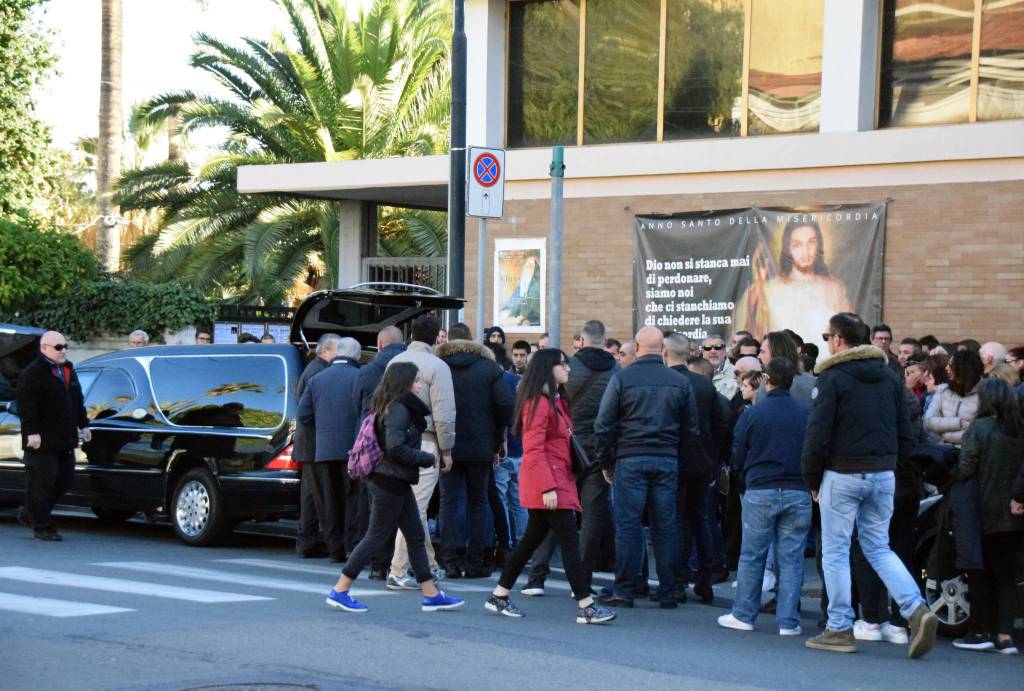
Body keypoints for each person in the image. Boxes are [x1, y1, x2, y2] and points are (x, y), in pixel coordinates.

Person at [801, 312, 937, 658]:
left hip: (842, 472)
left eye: (827, 336)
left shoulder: (832, 378)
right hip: (883, 473)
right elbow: (906, 435)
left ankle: (839, 627)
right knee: (878, 546)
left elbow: (817, 434)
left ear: (837, 340)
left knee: (835, 551)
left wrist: (812, 479)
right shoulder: (891, 379)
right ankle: (915, 608)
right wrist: (892, 466)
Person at [484, 349, 617, 625]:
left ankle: (499, 594)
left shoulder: (553, 401)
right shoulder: (540, 403)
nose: (568, 369)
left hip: (555, 481)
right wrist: (548, 488)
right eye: (562, 364)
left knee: (530, 541)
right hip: (549, 484)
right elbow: (534, 451)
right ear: (548, 369)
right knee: (570, 542)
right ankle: (586, 605)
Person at [326, 363, 464, 614]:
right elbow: (395, 448)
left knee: (414, 536)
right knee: (376, 537)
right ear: (404, 383)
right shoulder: (398, 409)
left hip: (394, 480)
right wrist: (426, 458)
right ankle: (340, 589)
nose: (420, 385)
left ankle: (431, 594)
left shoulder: (391, 406)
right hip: (388, 480)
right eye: (416, 381)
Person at [594, 327, 700, 608]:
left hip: (629, 458)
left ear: (638, 347)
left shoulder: (622, 379)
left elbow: (603, 425)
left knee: (628, 526)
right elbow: (691, 430)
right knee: (666, 526)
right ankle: (669, 589)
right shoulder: (679, 382)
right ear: (663, 350)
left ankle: (625, 589)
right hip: (666, 459)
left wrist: (606, 461)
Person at [523, 320, 619, 597]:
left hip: (566, 448)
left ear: (582, 339)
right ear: (604, 339)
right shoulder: (615, 372)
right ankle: (583, 580)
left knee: (554, 512)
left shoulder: (568, 368)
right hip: (598, 450)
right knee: (593, 514)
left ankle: (536, 577)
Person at [719, 357, 811, 636]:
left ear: (767, 380)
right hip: (798, 489)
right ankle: (788, 621)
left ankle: (744, 614)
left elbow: (738, 452)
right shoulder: (806, 412)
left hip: (761, 487)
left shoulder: (752, 413)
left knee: (752, 555)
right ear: (792, 380)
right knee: (792, 558)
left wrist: (745, 478)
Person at [951, 379, 1024, 654]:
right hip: (1013, 514)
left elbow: (967, 466)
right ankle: (1005, 635)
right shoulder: (1018, 430)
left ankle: (980, 631)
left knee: (979, 571)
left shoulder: (979, 429)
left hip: (982, 509)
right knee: (1006, 576)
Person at [436, 323, 515, 577]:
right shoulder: (489, 368)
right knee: (478, 502)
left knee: (447, 502)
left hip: (446, 444)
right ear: (472, 341)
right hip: (480, 445)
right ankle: (475, 562)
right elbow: (505, 404)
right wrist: (496, 439)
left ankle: (448, 561)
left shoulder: (440, 366)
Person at [387, 314, 455, 586]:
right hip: (425, 440)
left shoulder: (394, 362)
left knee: (412, 507)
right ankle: (399, 569)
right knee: (416, 508)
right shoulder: (437, 366)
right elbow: (444, 412)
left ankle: (429, 565)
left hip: (394, 441)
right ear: (437, 335)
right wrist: (447, 448)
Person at [665, 332, 726, 603]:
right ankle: (705, 578)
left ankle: (678, 582)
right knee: (700, 519)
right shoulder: (704, 385)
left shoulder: (670, 383)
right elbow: (720, 424)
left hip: (676, 461)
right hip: (702, 462)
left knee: (677, 521)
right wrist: (714, 460)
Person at [15, 331, 91, 541]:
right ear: (44, 348)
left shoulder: (68, 369)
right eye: (58, 347)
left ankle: (32, 513)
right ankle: (42, 526)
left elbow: (77, 399)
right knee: (42, 482)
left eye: (64, 346)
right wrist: (32, 432)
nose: (63, 350)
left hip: (64, 438)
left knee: (65, 479)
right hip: (41, 440)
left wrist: (84, 424)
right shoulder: (32, 373)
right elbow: (27, 405)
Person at [735, 219, 852, 353]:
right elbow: (752, 334)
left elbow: (847, 335)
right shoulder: (770, 289)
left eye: (811, 242)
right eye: (797, 245)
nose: (805, 251)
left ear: (818, 245)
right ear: (788, 249)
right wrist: (757, 289)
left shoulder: (834, 288)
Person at [297, 337, 362, 562]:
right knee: (352, 499)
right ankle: (351, 546)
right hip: (353, 449)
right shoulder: (360, 377)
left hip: (323, 449)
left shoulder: (318, 379)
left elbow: (303, 414)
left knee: (330, 499)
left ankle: (335, 549)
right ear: (357, 355)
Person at [352, 326, 406, 566]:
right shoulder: (408, 369)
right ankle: (398, 563)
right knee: (400, 506)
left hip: (370, 446)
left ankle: (372, 563)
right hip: (400, 444)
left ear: (380, 344)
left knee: (371, 505)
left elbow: (356, 408)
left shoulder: (366, 372)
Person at [294, 333, 340, 558]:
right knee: (320, 496)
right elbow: (306, 412)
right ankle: (320, 542)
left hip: (308, 444)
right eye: (336, 350)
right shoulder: (319, 372)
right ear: (325, 351)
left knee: (311, 497)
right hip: (313, 444)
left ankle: (307, 542)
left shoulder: (312, 369)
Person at [924, 348, 982, 447]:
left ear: (963, 369)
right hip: (943, 450)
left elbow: (980, 431)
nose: (946, 368)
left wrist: (943, 431)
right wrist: (959, 423)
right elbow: (929, 420)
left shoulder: (984, 394)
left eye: (951, 366)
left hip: (969, 452)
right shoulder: (943, 391)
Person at [757, 332, 815, 404]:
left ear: (777, 352)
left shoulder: (767, 384)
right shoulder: (812, 381)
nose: (758, 356)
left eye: (763, 352)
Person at [702, 334, 737, 399]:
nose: (713, 351)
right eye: (707, 348)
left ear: (724, 351)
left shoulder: (736, 372)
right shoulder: (694, 372)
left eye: (718, 347)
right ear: (703, 352)